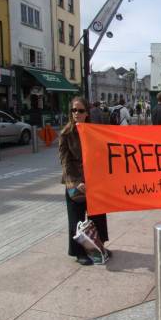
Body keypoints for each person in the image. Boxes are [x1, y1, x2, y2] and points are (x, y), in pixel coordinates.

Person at [59, 96, 110, 266]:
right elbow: (65, 162)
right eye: (73, 110)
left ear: (87, 112)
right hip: (75, 182)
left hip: (93, 181)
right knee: (76, 218)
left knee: (98, 216)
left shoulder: (94, 131)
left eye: (80, 110)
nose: (76, 113)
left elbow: (102, 154)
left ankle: (98, 246)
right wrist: (75, 182)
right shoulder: (66, 133)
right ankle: (79, 252)